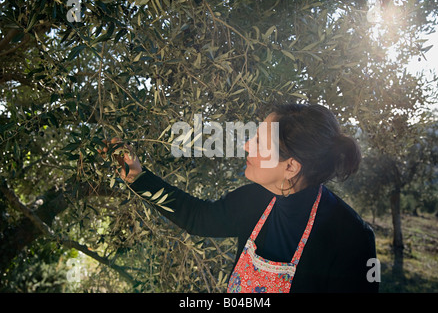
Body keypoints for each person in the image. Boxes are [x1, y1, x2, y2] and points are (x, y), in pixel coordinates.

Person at [105, 103, 379, 293]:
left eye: (260, 143)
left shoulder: (351, 238)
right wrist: (138, 178)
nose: (247, 145)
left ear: (291, 167)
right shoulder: (255, 199)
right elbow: (199, 218)